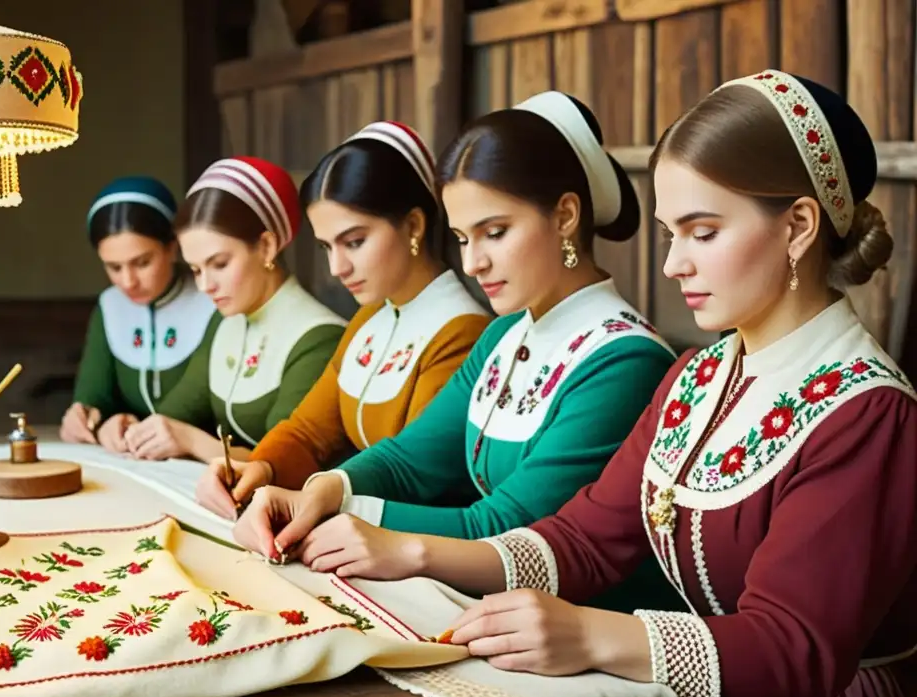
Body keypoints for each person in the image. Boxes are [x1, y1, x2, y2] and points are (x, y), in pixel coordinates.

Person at [275, 71, 917, 697]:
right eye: (672, 233)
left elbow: (796, 655)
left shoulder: (866, 410)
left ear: (797, 226)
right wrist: (409, 550)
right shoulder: (698, 376)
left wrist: (592, 635)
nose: (672, 264)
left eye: (703, 232)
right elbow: (585, 538)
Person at [232, 91, 685, 614]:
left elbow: (504, 523)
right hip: (502, 603)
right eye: (463, 238)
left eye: (495, 232)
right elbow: (409, 460)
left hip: (588, 624)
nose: (473, 263)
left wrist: (363, 521)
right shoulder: (502, 336)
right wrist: (326, 489)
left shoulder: (624, 360)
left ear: (564, 216)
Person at [194, 121, 491, 513]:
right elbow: (308, 431)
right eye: (325, 246)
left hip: (409, 534)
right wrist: (260, 467)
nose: (337, 267)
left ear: (414, 225)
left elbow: (413, 472)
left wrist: (313, 497)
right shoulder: (369, 319)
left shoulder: (463, 331)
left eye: (354, 242)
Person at [118, 157, 346, 463]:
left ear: (266, 247)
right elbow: (175, 415)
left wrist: (191, 441)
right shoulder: (226, 322)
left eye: (220, 264)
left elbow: (282, 463)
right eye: (196, 270)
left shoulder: (320, 338)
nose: (205, 285)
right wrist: (122, 428)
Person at [60, 176, 215, 448]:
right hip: (134, 458)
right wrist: (86, 417)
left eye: (142, 263)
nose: (128, 282)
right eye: (114, 267)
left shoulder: (213, 300)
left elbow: (196, 404)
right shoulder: (110, 305)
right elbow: (95, 395)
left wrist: (127, 429)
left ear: (172, 246)